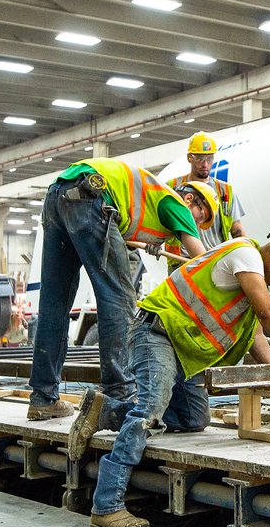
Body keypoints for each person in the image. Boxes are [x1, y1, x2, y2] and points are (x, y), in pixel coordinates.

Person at [67, 224, 270, 527]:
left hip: (181, 350)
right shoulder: (245, 255)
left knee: (193, 419)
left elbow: (257, 333)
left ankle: (105, 411)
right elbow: (268, 313)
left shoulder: (254, 279)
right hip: (156, 333)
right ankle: (106, 506)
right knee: (149, 409)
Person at [26, 158, 210, 421]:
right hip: (91, 194)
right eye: (202, 215)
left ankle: (42, 398)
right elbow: (202, 263)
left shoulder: (153, 208)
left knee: (54, 304)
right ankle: (119, 395)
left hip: (58, 195)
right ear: (191, 199)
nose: (199, 223)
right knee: (118, 298)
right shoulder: (177, 204)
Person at [175, 132, 246, 241]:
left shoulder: (225, 190)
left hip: (215, 256)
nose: (205, 165)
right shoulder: (174, 186)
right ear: (189, 158)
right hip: (184, 257)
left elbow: (237, 230)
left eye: (209, 159)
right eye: (200, 159)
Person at [163, 180, 226, 263]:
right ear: (188, 199)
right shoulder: (173, 207)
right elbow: (202, 261)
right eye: (200, 217)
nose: (197, 226)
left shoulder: (168, 211)